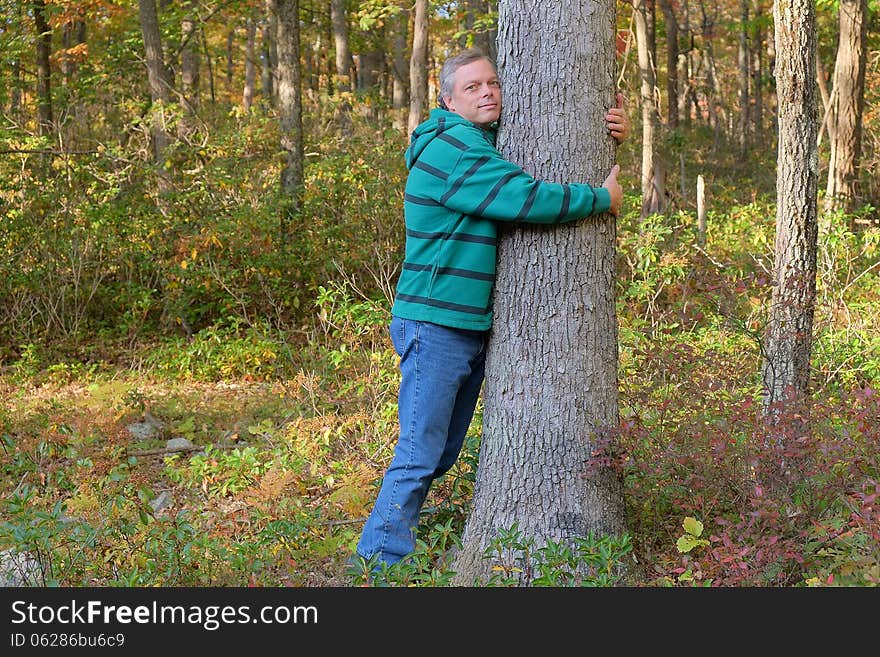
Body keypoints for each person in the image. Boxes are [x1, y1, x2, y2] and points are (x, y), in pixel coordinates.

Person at [355, 47, 629, 567]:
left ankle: (404, 541)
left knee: (438, 451)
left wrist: (607, 127)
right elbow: (524, 197)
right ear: (447, 100)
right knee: (419, 452)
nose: (487, 92)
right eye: (472, 87)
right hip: (434, 324)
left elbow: (531, 151)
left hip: (459, 324)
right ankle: (378, 564)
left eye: (492, 83)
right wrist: (600, 197)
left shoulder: (474, 144)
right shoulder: (453, 149)